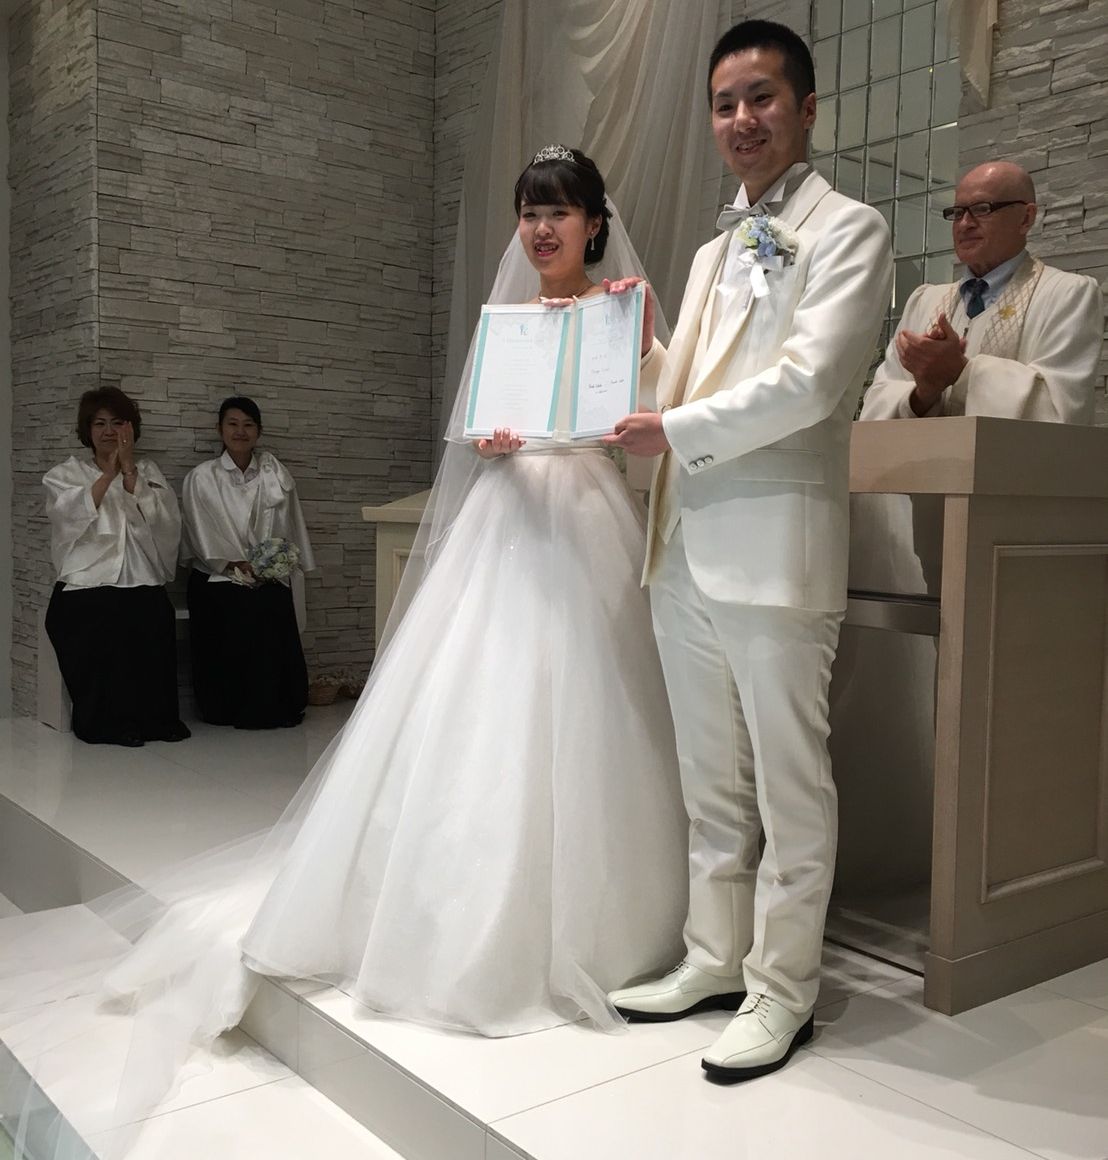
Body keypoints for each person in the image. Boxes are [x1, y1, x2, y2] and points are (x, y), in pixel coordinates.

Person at [602, 21, 893, 1082]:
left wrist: (672, 426)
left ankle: (784, 987)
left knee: (788, 783)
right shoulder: (712, 250)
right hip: (682, 541)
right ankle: (714, 956)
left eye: (761, 98)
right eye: (724, 103)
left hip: (774, 549)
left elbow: (812, 383)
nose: (741, 120)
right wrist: (634, 346)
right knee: (709, 778)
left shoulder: (848, 230)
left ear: (806, 109)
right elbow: (681, 381)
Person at [859, 160, 1103, 423]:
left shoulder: (1067, 294)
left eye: (982, 209)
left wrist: (961, 371)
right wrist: (924, 394)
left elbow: (1061, 410)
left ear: (1026, 218)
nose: (964, 224)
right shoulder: (924, 301)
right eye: (957, 212)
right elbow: (877, 401)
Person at [43, 388, 189, 747]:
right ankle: (106, 722)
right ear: (87, 430)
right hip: (87, 578)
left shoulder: (148, 471)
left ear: (131, 428)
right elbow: (66, 517)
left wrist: (129, 473)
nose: (109, 431)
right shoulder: (66, 473)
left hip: (139, 572)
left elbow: (167, 522)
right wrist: (106, 476)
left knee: (152, 614)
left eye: (117, 423)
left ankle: (155, 719)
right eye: (100, 424)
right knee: (95, 618)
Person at [182, 396, 315, 729]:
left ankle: (275, 703)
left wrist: (272, 563)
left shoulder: (274, 473)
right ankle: (226, 705)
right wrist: (233, 564)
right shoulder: (202, 476)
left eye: (248, 424)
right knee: (237, 605)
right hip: (217, 573)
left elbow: (289, 523)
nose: (240, 431)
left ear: (258, 431)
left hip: (266, 573)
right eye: (233, 424)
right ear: (220, 429)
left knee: (271, 602)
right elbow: (198, 529)